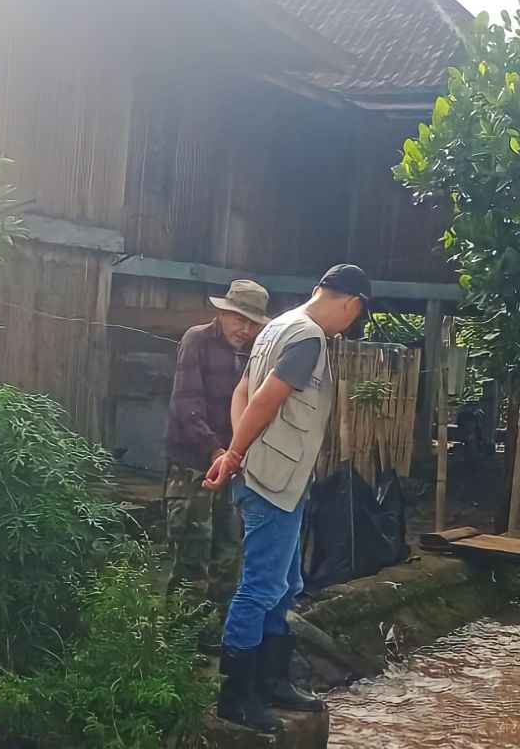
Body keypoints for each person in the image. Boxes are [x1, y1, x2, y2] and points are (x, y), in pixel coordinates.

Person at [203, 264, 370, 732]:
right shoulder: (309, 337)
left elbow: (242, 392)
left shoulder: (277, 326)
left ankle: (273, 682)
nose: (348, 328)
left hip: (279, 478)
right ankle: (236, 698)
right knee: (260, 587)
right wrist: (237, 454)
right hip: (272, 482)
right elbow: (264, 400)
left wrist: (243, 452)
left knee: (286, 584)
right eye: (354, 319)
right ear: (351, 303)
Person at [163, 279, 269, 610]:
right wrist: (216, 450)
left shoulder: (255, 352)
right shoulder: (197, 340)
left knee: (229, 554)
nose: (245, 328)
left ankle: (215, 635)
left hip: (232, 465)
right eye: (240, 319)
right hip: (194, 463)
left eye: (253, 323)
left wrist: (235, 455)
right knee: (192, 554)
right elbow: (186, 404)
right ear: (222, 313)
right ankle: (179, 641)